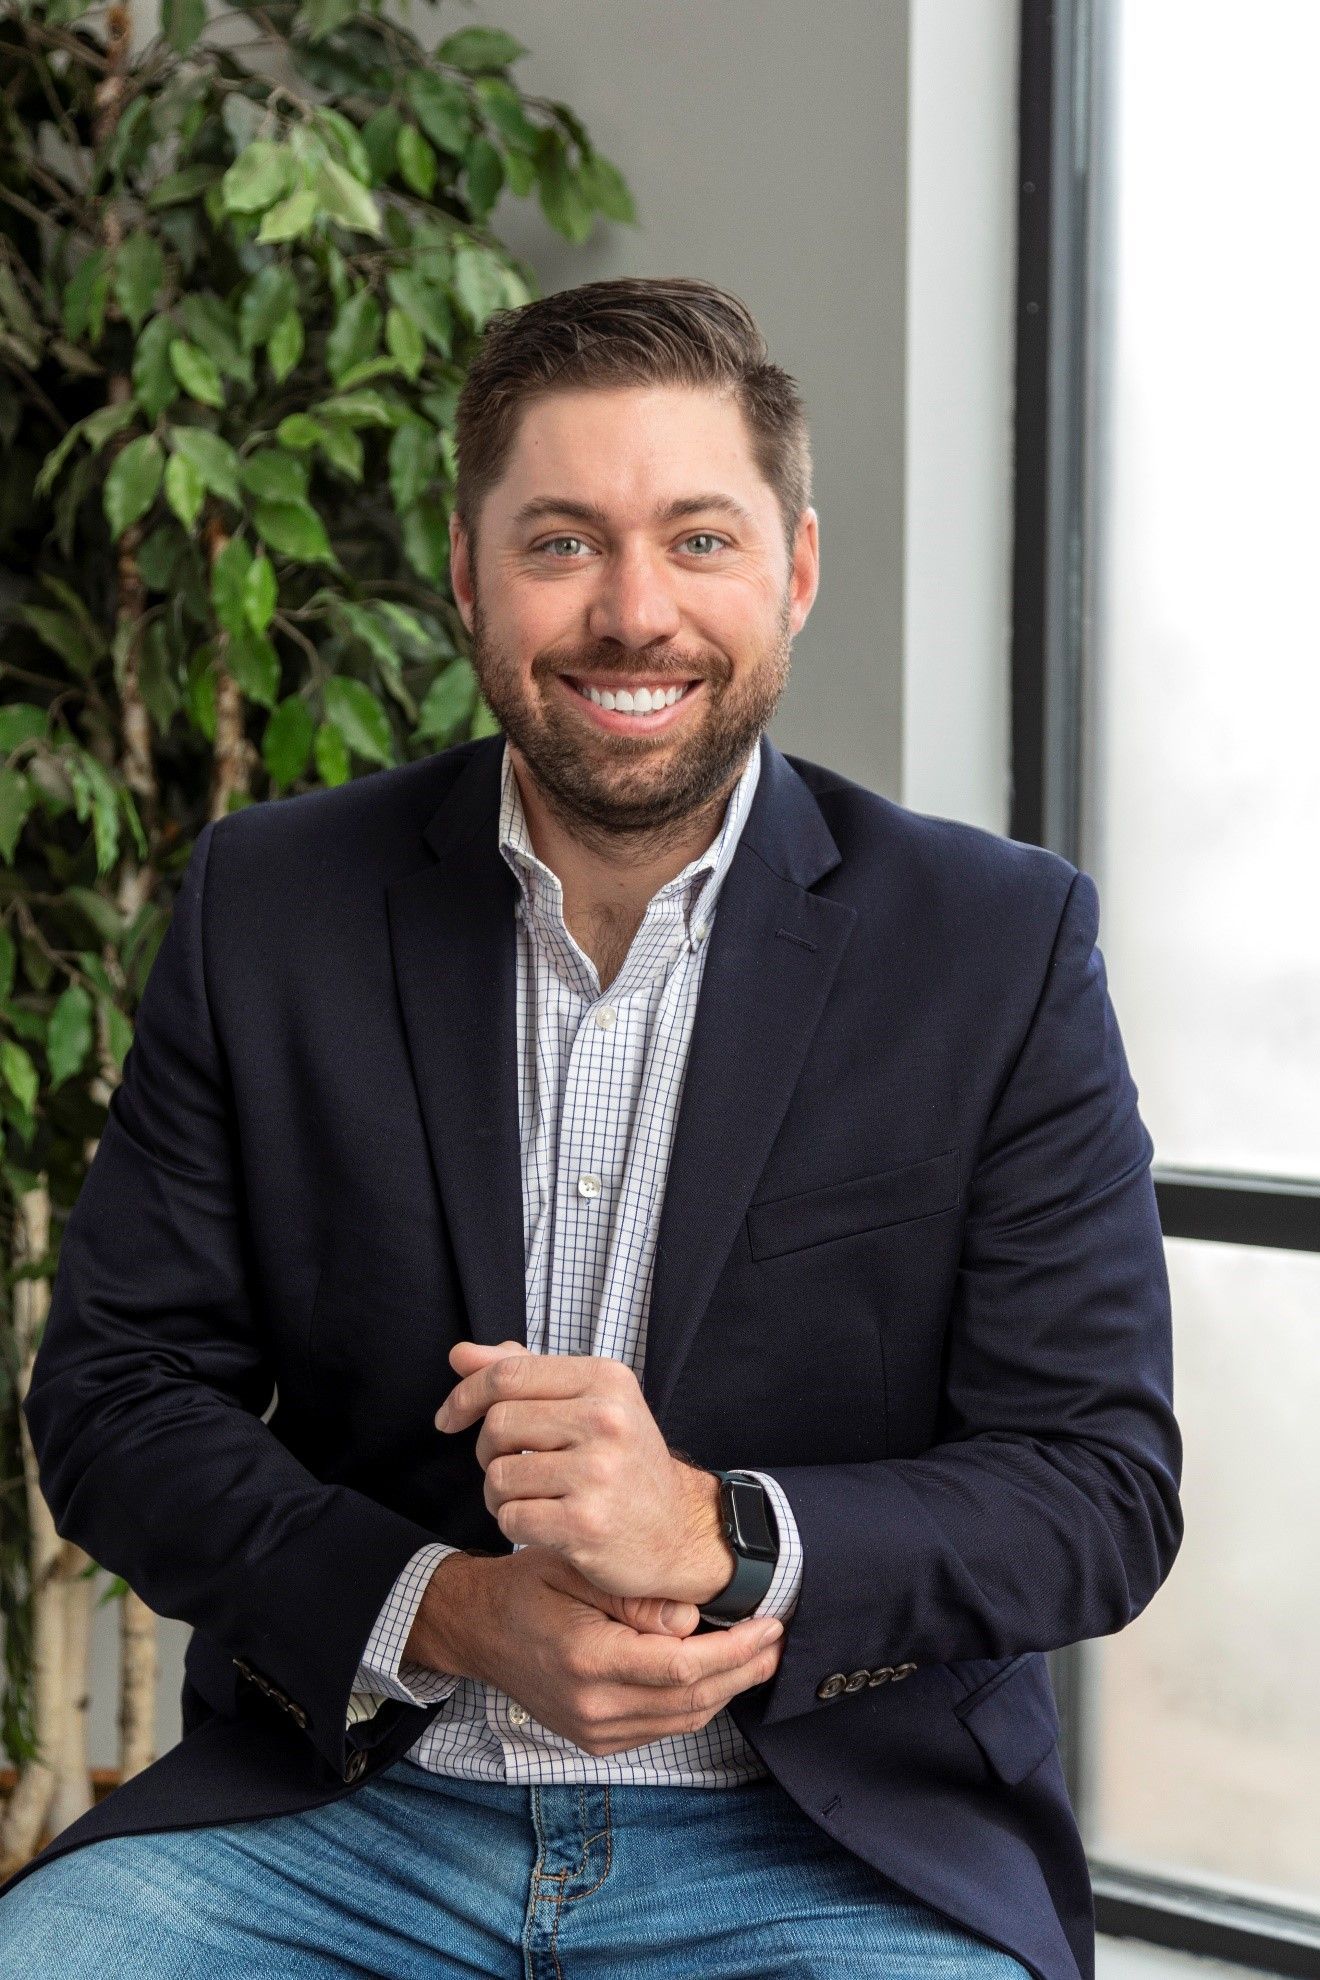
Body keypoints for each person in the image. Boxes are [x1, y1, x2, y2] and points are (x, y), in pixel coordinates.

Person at [0, 277, 1181, 1979]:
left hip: (824, 1851)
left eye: (699, 539)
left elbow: (1099, 1487)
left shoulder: (995, 946)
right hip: (344, 1821)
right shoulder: (271, 906)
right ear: (469, 573)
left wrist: (725, 1532)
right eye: (562, 543)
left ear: (795, 570)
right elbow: (114, 1396)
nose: (636, 612)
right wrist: (447, 1611)